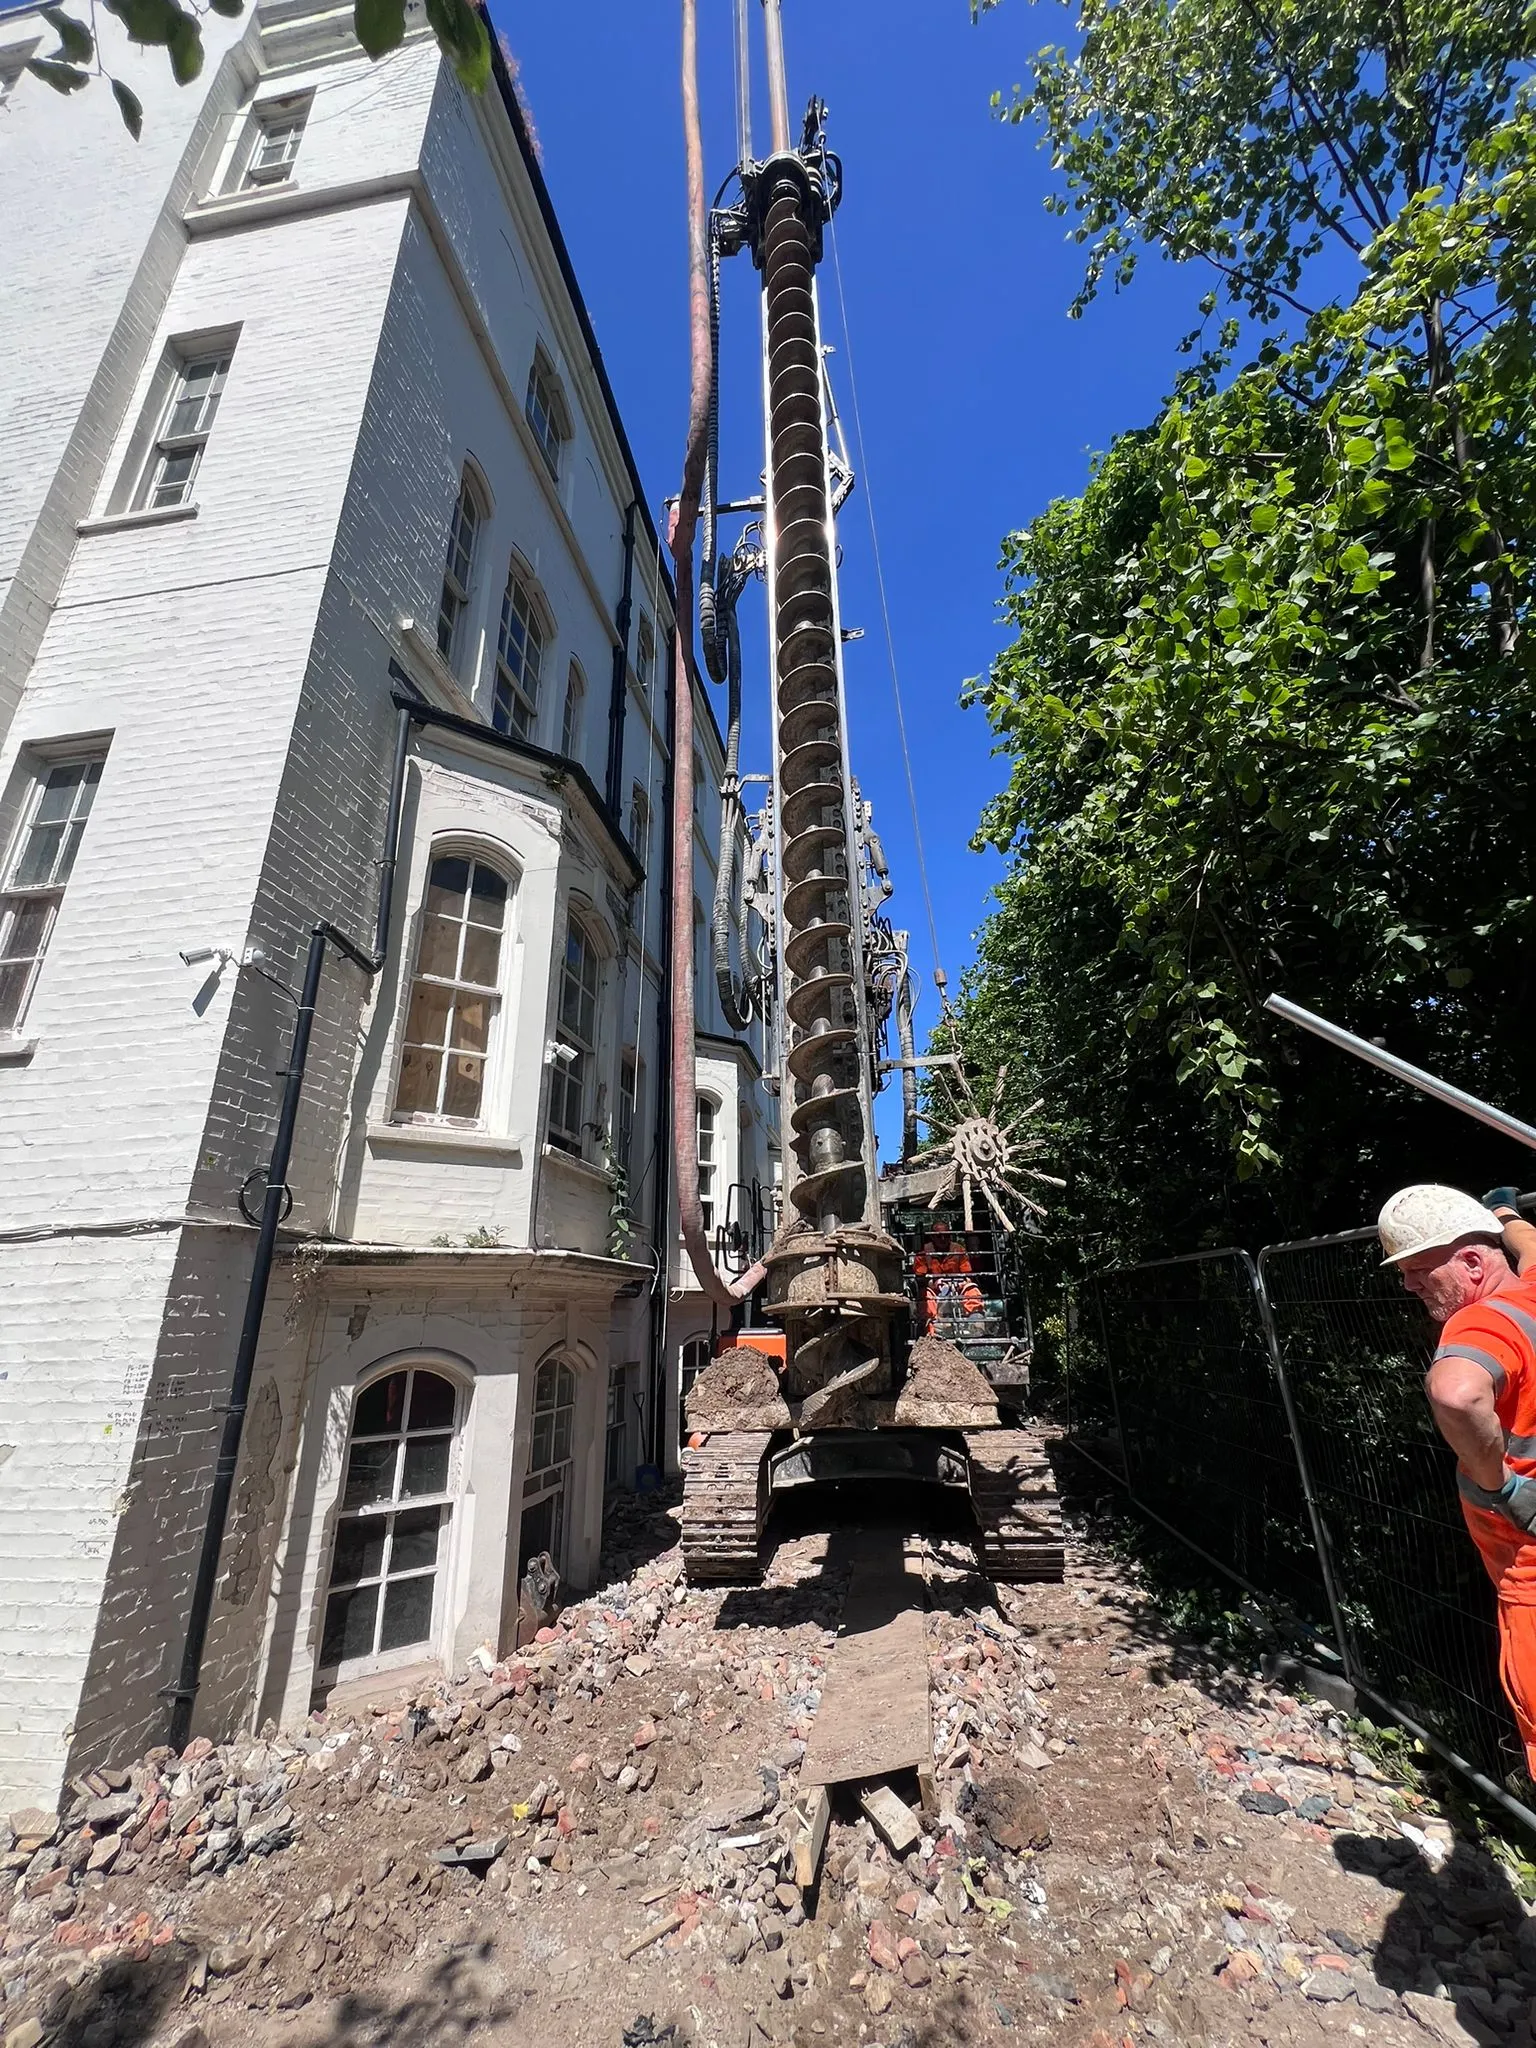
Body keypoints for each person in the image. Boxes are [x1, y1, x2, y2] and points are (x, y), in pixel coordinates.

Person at [1380, 1183, 1536, 1778]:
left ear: (1471, 1262)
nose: (1409, 1285)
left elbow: (1456, 1391)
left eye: (1419, 1269)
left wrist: (1500, 1485)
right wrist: (1505, 1213)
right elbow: (1527, 1243)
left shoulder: (1481, 1320)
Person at [912, 1227, 983, 1337]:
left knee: (972, 1290)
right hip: (935, 1290)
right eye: (939, 1236)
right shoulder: (923, 1253)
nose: (943, 1238)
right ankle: (931, 1332)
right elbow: (920, 1279)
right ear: (932, 1237)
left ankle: (976, 1327)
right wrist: (934, 1283)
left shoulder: (959, 1250)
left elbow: (968, 1275)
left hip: (958, 1287)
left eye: (946, 1235)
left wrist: (961, 1284)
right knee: (926, 1297)